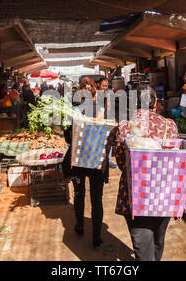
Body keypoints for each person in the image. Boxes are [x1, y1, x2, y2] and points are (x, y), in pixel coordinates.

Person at [106, 84, 179, 261]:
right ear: (155, 104)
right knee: (158, 240)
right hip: (165, 192)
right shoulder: (170, 125)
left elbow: (122, 162)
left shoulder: (124, 127)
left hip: (136, 194)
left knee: (143, 245)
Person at [62, 77, 106, 251]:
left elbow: (67, 138)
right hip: (96, 161)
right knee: (97, 200)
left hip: (79, 160)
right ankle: (97, 238)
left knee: (79, 194)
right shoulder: (103, 110)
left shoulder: (73, 112)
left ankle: (80, 227)